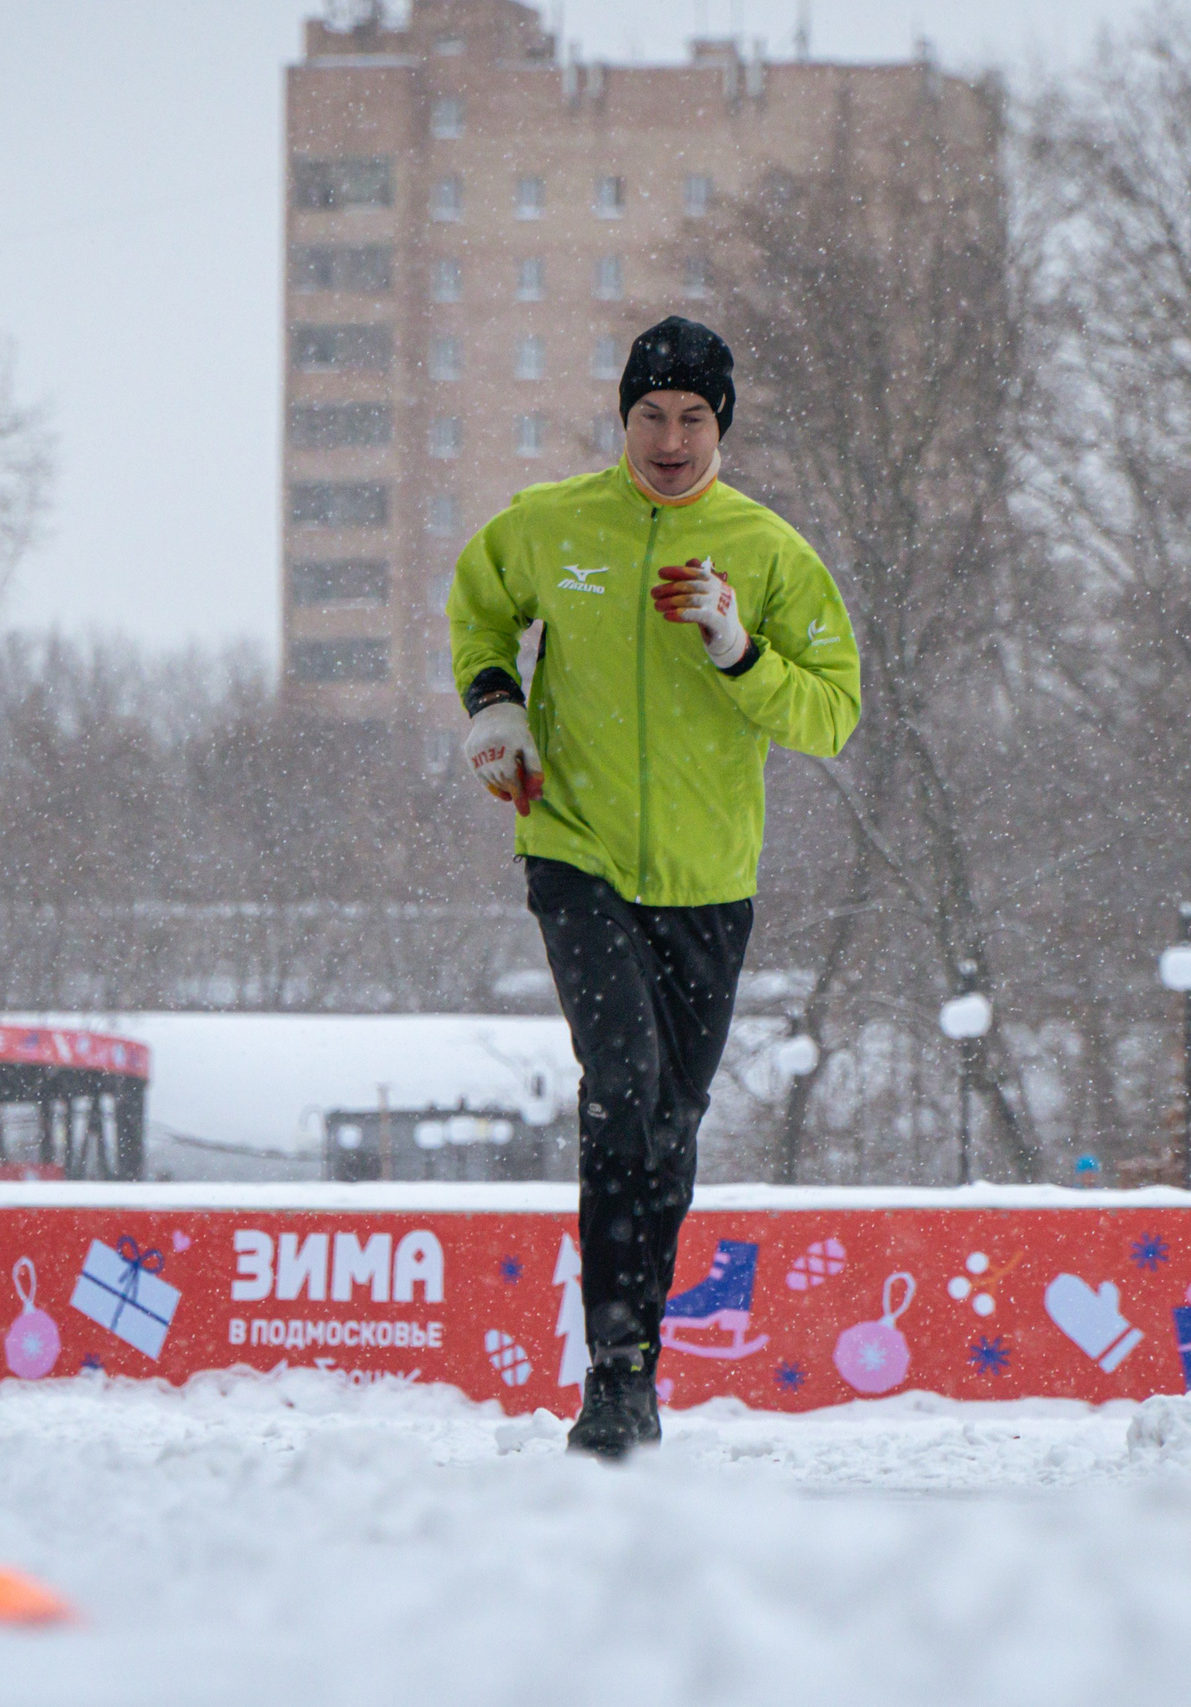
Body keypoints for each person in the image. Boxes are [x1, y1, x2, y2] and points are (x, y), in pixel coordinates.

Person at [446, 315, 861, 1458]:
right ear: (620, 418)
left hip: (708, 880)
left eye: (691, 418)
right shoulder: (551, 524)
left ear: (720, 425)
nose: (669, 438)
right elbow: (478, 599)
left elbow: (832, 713)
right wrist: (494, 701)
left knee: (669, 1124)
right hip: (572, 848)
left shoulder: (766, 552)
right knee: (619, 1085)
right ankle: (613, 1381)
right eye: (649, 415)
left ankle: (637, 1362)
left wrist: (736, 647)